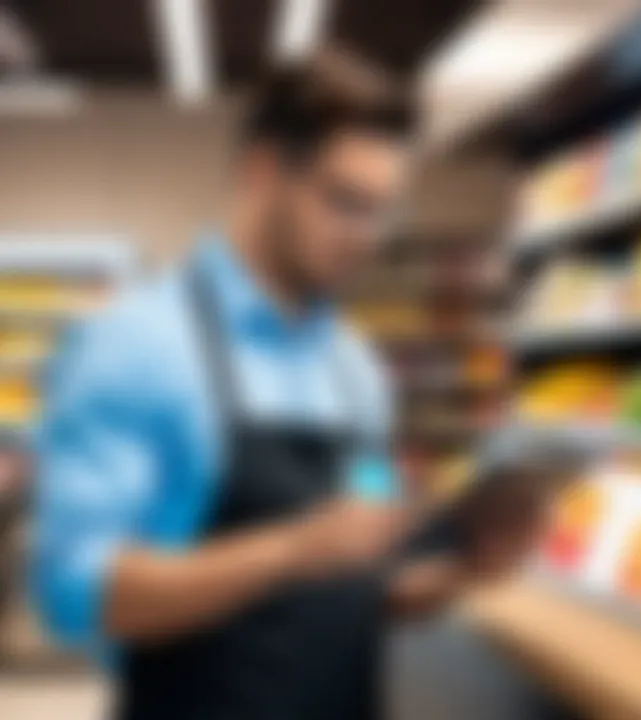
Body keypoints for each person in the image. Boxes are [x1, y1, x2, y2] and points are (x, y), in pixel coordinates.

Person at [31, 66, 541, 720]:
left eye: (382, 213)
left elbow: (364, 582)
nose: (366, 237)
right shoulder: (134, 344)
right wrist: (289, 549)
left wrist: (469, 566)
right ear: (264, 172)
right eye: (346, 203)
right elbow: (71, 593)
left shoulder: (358, 373)